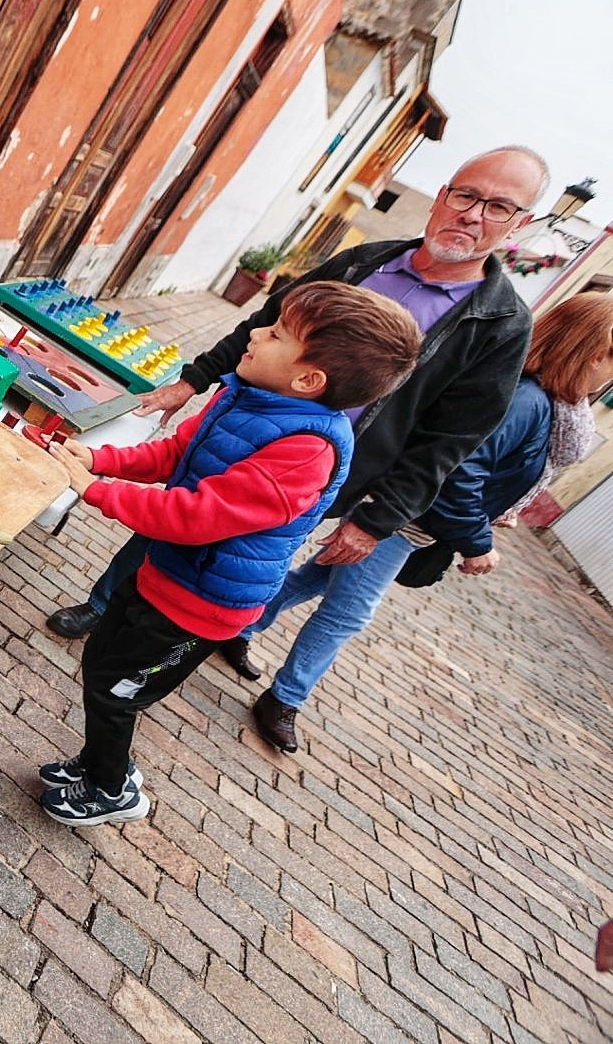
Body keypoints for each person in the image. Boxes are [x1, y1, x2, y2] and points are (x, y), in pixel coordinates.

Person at [46, 145, 549, 750]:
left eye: (498, 207)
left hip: (328, 468)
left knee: (244, 544)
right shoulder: (365, 261)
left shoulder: (500, 323)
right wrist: (193, 379)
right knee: (176, 515)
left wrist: (378, 519)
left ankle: (206, 630)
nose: (472, 214)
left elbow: (452, 439)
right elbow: (267, 322)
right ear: (442, 194)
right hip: (250, 427)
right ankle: (110, 608)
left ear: (521, 224)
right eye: (465, 195)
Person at [36, 282, 422, 826]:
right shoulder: (243, 392)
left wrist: (92, 489)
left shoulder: (305, 449)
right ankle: (102, 765)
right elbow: (175, 452)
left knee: (117, 691)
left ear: (307, 379)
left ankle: (111, 789)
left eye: (278, 334)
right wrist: (98, 459)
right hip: (164, 573)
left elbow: (194, 516)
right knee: (102, 663)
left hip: (202, 605)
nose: (258, 332)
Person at [239, 293, 613, 750]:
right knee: (349, 613)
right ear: (592, 355)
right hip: (402, 519)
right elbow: (459, 474)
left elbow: (487, 470)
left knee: (316, 579)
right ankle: (283, 698)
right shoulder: (529, 402)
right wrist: (478, 542)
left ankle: (237, 627)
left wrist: (501, 508)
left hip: (410, 520)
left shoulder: (542, 404)